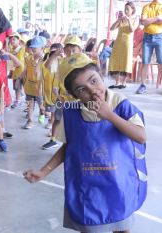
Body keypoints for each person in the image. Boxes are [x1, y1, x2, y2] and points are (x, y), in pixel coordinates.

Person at [24, 52, 147, 233]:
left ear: (100, 74)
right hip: (89, 190)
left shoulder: (120, 104)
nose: (92, 90)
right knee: (91, 226)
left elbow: (141, 136)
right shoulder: (72, 112)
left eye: (94, 80)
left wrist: (109, 115)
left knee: (122, 227)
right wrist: (43, 172)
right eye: (81, 89)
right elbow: (70, 147)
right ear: (73, 94)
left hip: (119, 186)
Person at [108, 2, 138, 89]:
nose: (126, 11)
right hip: (118, 43)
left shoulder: (135, 19)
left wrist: (128, 19)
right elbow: (111, 28)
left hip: (127, 43)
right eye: (125, 9)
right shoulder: (121, 19)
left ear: (132, 10)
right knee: (116, 60)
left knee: (125, 61)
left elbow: (132, 29)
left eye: (128, 9)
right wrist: (118, 20)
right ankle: (117, 82)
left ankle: (124, 83)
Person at [137, 0, 162, 94]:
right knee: (145, 62)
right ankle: (143, 85)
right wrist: (157, 18)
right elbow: (143, 22)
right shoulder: (146, 7)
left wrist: (149, 20)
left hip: (160, 36)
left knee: (161, 62)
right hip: (147, 37)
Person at [22, 36, 46, 129]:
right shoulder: (29, 58)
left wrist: (41, 88)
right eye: (32, 47)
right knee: (29, 104)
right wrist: (20, 78)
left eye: (35, 47)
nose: (33, 48)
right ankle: (30, 121)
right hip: (29, 86)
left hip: (40, 87)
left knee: (41, 105)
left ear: (42, 48)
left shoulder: (45, 60)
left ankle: (42, 112)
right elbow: (25, 70)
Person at [8, 32, 25, 109]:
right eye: (11, 39)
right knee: (16, 87)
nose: (12, 41)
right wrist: (11, 72)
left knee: (26, 88)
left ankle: (29, 105)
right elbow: (11, 63)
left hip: (23, 72)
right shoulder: (11, 50)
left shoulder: (23, 49)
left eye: (14, 39)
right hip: (15, 72)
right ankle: (18, 100)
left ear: (19, 40)